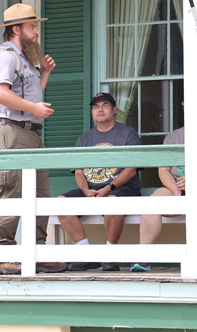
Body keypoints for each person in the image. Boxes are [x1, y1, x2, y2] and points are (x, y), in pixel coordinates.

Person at [0, 3, 67, 275]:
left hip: (31, 133)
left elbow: (32, 96)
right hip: (12, 131)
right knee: (13, 191)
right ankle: (4, 255)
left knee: (40, 194)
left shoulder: (24, 59)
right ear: (15, 29)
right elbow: (0, 93)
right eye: (32, 27)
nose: (36, 32)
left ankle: (38, 252)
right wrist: (34, 109)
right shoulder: (6, 56)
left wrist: (44, 73)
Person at [57, 92, 142, 271]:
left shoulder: (128, 134)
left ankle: (110, 255)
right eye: (96, 107)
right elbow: (79, 172)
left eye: (105, 105)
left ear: (114, 110)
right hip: (91, 189)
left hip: (122, 188)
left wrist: (108, 187)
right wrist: (86, 190)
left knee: (112, 202)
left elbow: (131, 169)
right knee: (60, 203)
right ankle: (86, 254)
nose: (100, 109)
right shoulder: (84, 138)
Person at [133, 126, 197, 272]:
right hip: (176, 187)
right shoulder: (174, 137)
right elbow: (163, 170)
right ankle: (142, 259)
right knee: (152, 203)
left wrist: (195, 179)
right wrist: (175, 190)